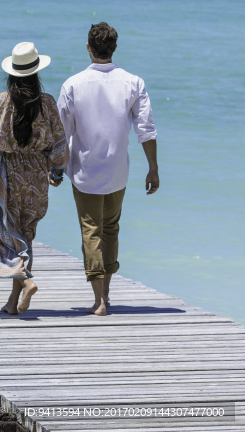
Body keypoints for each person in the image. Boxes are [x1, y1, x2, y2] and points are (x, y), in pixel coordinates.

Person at [0, 42, 69, 315]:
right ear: (36, 73)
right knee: (24, 236)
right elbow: (59, 145)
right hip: (37, 179)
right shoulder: (48, 103)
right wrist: (56, 172)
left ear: (12, 73)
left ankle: (27, 281)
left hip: (8, 177)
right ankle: (13, 301)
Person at [58, 22, 158, 317]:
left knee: (91, 231)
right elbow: (146, 130)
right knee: (111, 229)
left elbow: (63, 134)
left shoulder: (72, 84)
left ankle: (99, 299)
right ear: (114, 48)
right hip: (118, 172)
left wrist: (55, 168)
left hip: (84, 172)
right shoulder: (133, 82)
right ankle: (107, 293)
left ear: (88, 47)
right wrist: (153, 169)